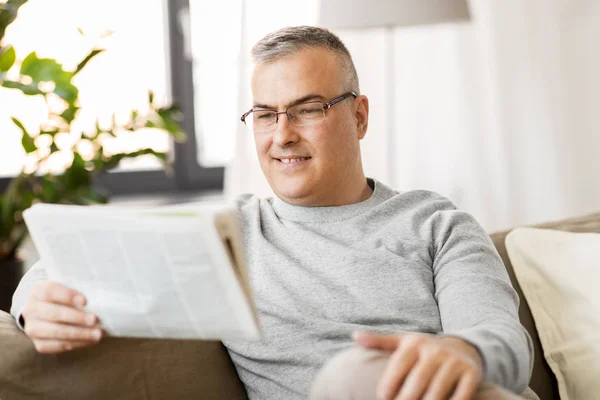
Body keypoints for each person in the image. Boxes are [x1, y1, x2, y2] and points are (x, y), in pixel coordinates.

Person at [11, 26, 538, 400]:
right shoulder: (227, 234)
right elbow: (70, 254)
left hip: (459, 393)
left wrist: (464, 353)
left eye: (308, 109)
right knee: (351, 375)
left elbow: (500, 336)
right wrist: (34, 305)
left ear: (358, 117)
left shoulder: (437, 225)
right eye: (265, 114)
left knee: (364, 373)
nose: (282, 134)